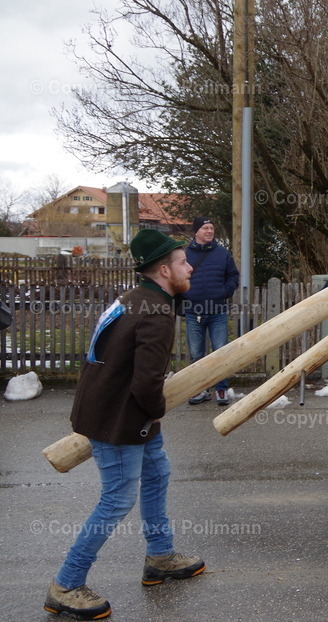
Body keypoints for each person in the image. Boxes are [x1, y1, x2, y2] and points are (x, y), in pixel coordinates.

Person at [44, 230, 205, 620]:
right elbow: (148, 383)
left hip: (117, 410)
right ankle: (65, 585)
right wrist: (157, 408)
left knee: (157, 474)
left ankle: (160, 557)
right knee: (117, 499)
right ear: (165, 270)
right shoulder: (156, 312)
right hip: (119, 417)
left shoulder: (135, 299)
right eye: (184, 262)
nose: (191, 267)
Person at [183, 217, 239, 406]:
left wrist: (225, 292)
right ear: (196, 231)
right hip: (193, 312)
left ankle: (221, 390)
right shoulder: (184, 255)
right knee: (196, 354)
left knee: (221, 353)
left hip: (218, 311)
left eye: (212, 228)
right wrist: (185, 299)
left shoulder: (222, 254)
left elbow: (233, 275)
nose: (209, 231)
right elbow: (177, 278)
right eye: (205, 228)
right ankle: (200, 390)